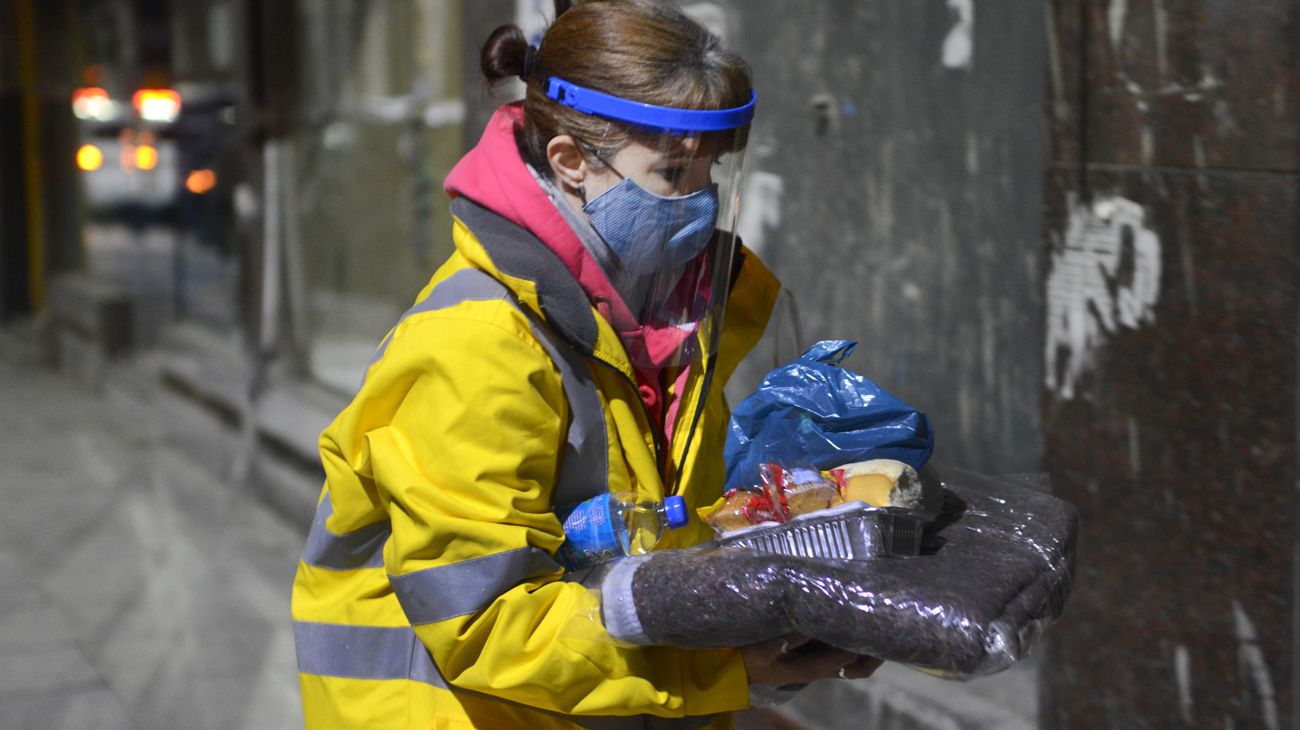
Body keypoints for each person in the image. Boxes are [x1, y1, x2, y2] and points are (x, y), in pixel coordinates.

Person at [290, 1, 879, 727]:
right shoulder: (480, 341)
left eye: (710, 171)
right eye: (670, 174)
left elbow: (665, 544)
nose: (698, 204)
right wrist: (717, 666)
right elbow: (487, 622)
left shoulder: (671, 318)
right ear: (570, 160)